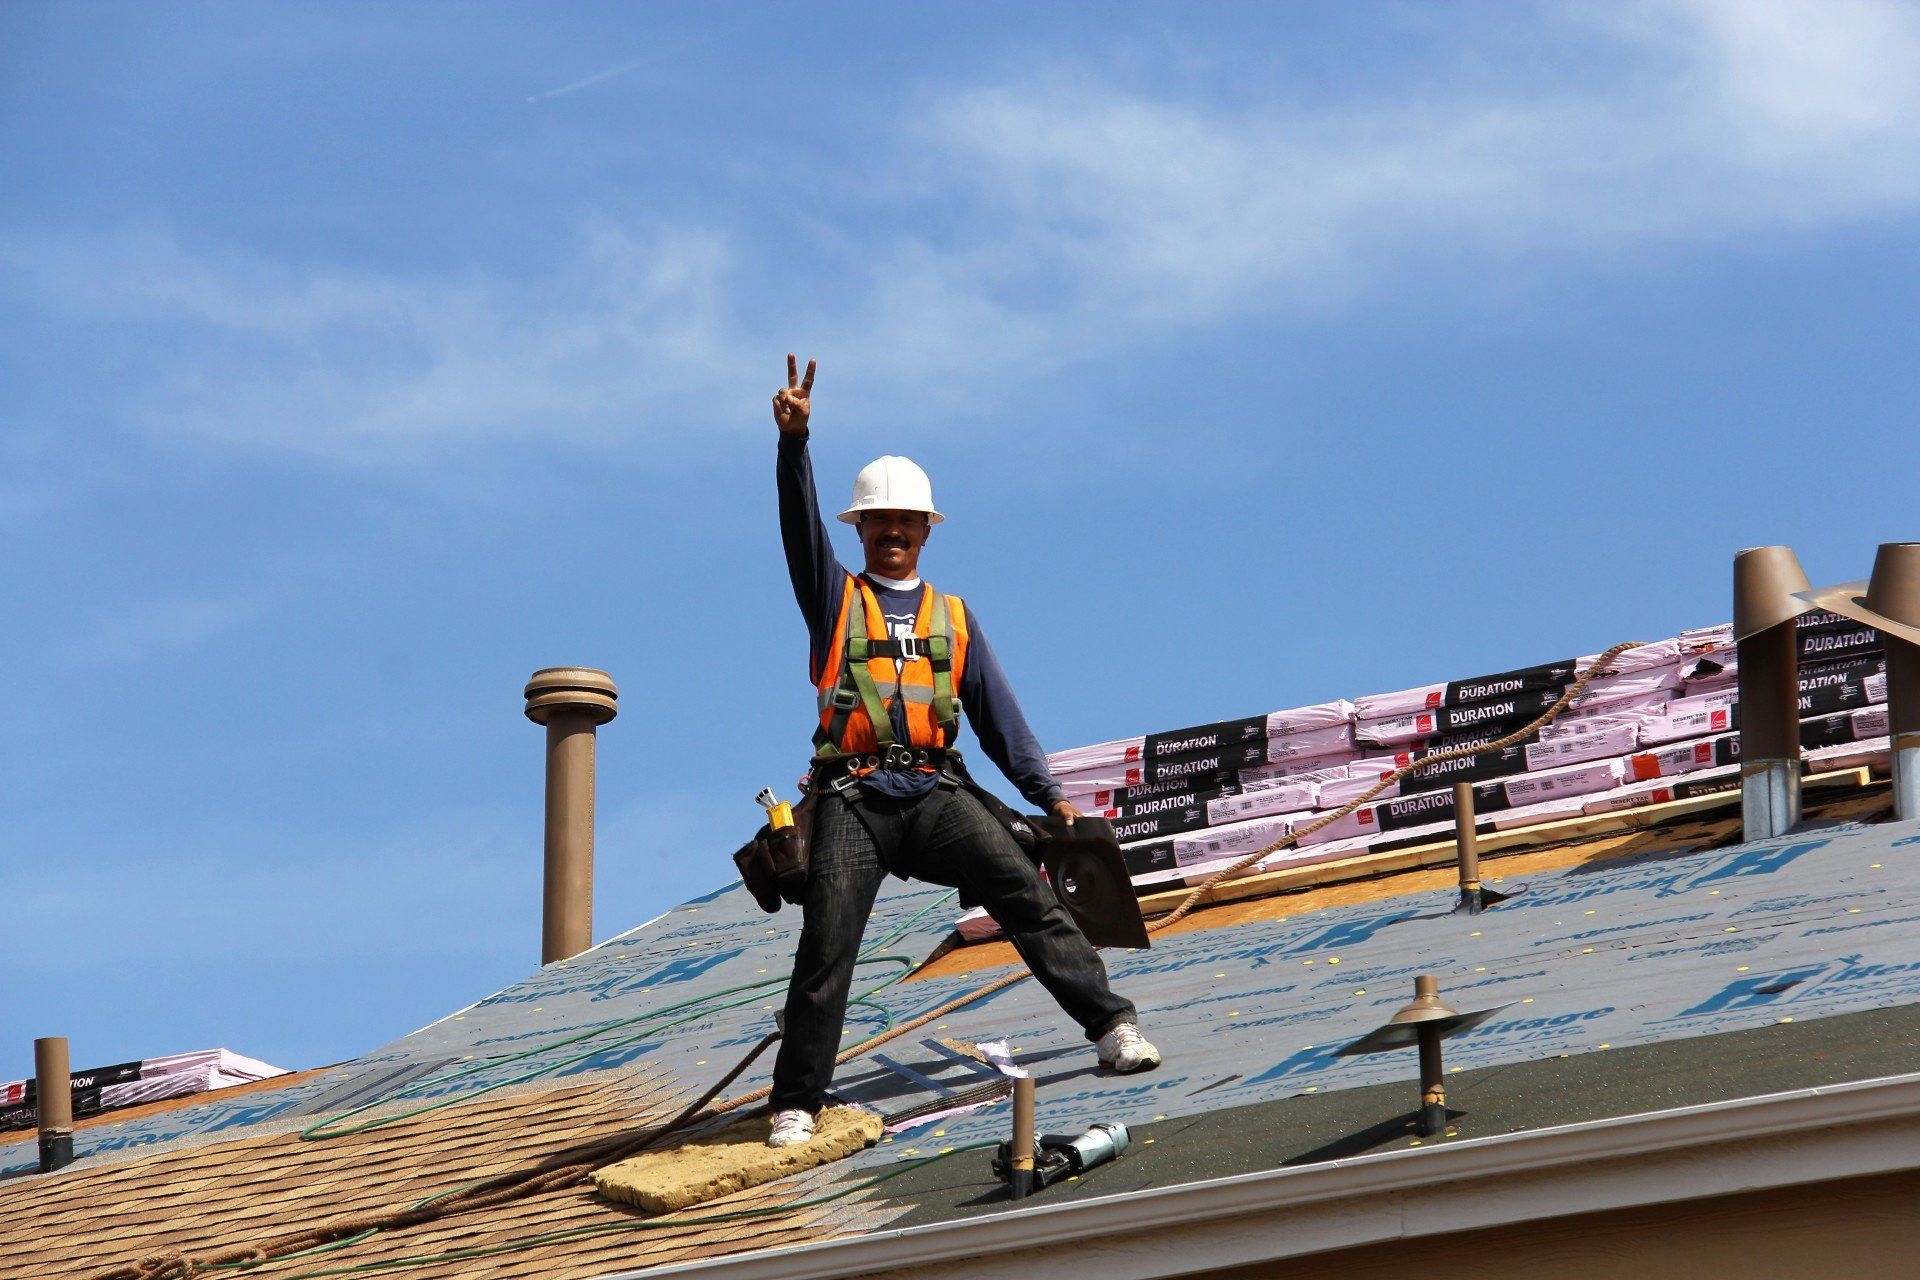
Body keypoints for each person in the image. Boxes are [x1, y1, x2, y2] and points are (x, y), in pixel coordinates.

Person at [764, 355, 1161, 1148]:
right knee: (828, 939)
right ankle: (797, 1101)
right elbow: (798, 528)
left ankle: (1112, 1026)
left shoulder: (954, 616)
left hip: (938, 794)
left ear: (923, 532)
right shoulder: (835, 598)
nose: (893, 534)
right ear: (863, 531)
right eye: (879, 524)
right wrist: (794, 445)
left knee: (1025, 891)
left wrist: (1048, 796)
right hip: (855, 798)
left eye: (905, 524)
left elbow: (998, 719)